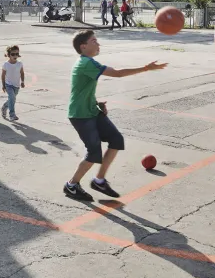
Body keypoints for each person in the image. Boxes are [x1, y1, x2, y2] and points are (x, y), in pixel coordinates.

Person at [64, 30, 167, 201]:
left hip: (92, 111)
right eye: (94, 41)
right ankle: (72, 185)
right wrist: (146, 68)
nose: (98, 44)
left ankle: (99, 180)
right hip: (81, 115)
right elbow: (118, 73)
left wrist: (96, 104)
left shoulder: (88, 62)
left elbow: (83, 90)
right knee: (94, 152)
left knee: (116, 140)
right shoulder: (85, 63)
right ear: (83, 46)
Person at [1, 45, 25, 122]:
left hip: (16, 85)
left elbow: (22, 73)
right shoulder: (6, 64)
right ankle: (12, 115)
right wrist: (3, 85)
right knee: (12, 98)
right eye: (13, 54)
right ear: (9, 55)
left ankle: (5, 106)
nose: (15, 56)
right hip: (8, 85)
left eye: (16, 54)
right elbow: (3, 75)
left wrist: (22, 82)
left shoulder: (20, 64)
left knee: (12, 99)